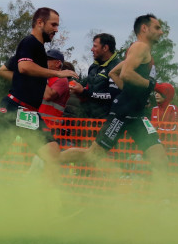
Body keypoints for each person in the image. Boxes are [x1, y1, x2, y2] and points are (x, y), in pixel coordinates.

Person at [0, 7, 76, 177]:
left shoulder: (37, 48)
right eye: (53, 24)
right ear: (40, 23)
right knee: (52, 154)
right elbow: (24, 67)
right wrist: (56, 73)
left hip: (16, 109)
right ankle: (50, 201)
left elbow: (6, 70)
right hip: (20, 109)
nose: (56, 29)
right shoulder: (30, 42)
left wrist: (25, 81)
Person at [60, 14, 169, 181]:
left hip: (137, 114)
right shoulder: (140, 47)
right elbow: (126, 74)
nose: (161, 32)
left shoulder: (140, 50)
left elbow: (114, 72)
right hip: (122, 113)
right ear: (144, 28)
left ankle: (162, 201)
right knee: (92, 154)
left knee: (160, 159)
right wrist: (151, 86)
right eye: (157, 28)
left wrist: (137, 93)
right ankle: (51, 160)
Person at [69, 33, 120, 119]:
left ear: (105, 48)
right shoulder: (93, 67)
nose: (92, 49)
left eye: (95, 46)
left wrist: (84, 92)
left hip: (108, 120)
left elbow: (112, 95)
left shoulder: (117, 67)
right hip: (90, 118)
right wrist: (78, 90)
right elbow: (89, 91)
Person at [38, 48, 71, 130]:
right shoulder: (47, 78)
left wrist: (39, 77)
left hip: (50, 127)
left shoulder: (62, 79)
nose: (43, 61)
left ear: (57, 63)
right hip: (37, 124)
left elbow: (48, 96)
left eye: (47, 60)